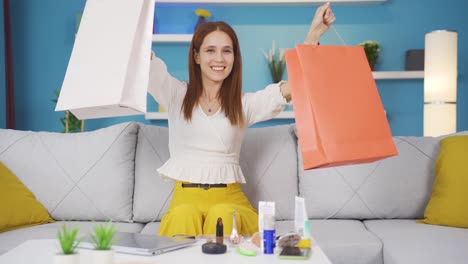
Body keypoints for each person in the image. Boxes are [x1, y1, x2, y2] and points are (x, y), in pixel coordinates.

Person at [148, 2, 336, 237]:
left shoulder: (243, 104)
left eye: (227, 50)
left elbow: (291, 88)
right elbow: (146, 66)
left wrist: (314, 34)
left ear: (234, 58)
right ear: (196, 56)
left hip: (229, 199)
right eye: (210, 50)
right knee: (184, 216)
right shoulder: (176, 94)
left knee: (224, 215)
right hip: (184, 200)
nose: (220, 58)